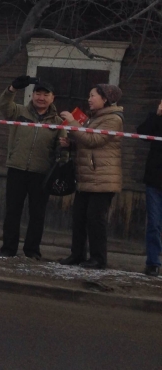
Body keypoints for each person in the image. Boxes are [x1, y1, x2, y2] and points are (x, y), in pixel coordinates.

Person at [0, 76, 63, 259]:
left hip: (41, 173)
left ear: (52, 98)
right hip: (17, 168)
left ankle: (32, 251)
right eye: (38, 93)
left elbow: (61, 147)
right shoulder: (19, 112)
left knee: (37, 214)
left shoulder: (58, 122)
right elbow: (2, 105)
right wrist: (11, 89)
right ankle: (8, 249)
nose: (41, 98)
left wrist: (64, 146)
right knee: (12, 212)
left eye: (45, 94)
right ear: (32, 95)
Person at [59, 84, 124, 269]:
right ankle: (77, 254)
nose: (89, 99)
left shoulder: (113, 119)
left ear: (105, 99)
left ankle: (99, 259)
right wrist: (70, 145)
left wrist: (72, 122)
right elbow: (85, 142)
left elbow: (94, 140)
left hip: (102, 179)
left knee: (96, 220)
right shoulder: (93, 119)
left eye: (93, 95)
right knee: (79, 218)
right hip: (86, 178)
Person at [137, 100, 162, 277]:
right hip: (154, 180)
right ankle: (153, 262)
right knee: (154, 223)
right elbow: (142, 132)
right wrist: (157, 114)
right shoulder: (157, 119)